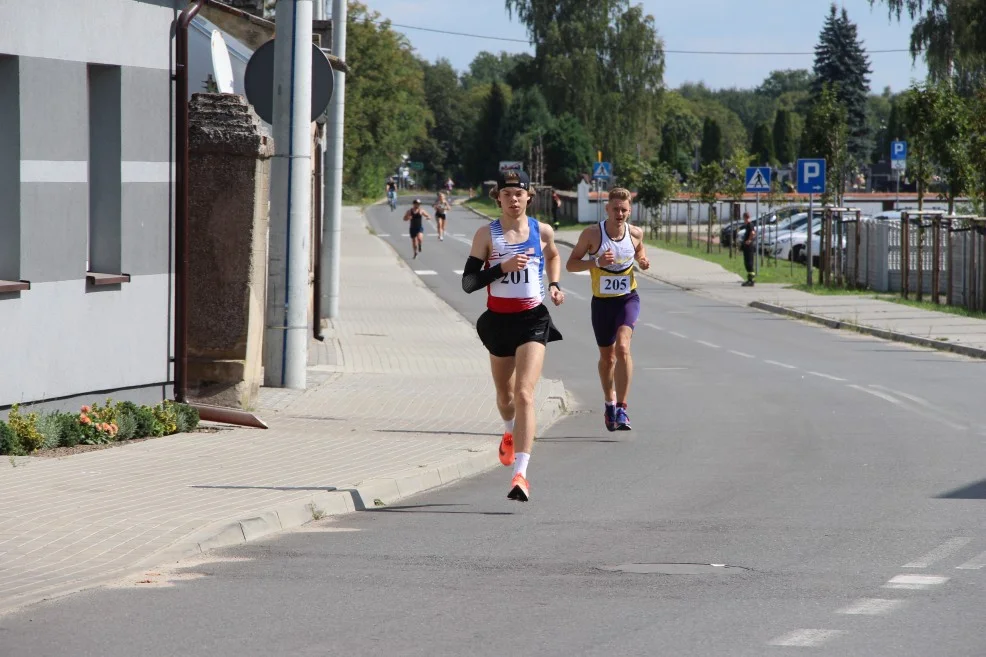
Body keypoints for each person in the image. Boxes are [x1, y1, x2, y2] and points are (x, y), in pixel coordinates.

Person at [461, 169, 565, 502]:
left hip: (533, 319)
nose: (513, 199)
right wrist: (501, 268)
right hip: (498, 321)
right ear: (499, 199)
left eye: (518, 194)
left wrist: (554, 284)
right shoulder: (486, 234)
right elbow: (468, 283)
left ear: (528, 197)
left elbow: (553, 255)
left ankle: (520, 474)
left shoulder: (542, 230)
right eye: (507, 195)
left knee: (524, 393)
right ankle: (509, 432)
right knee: (505, 397)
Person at [566, 187, 650, 432]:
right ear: (607, 209)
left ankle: (622, 408)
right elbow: (571, 264)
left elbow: (640, 249)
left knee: (623, 347)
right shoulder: (592, 234)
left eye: (624, 210)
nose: (620, 214)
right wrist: (596, 262)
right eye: (616, 209)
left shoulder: (635, 233)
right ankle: (609, 402)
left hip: (627, 299)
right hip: (602, 303)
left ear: (630, 210)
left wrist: (643, 260)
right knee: (607, 358)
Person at [740, 211, 756, 286]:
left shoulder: (750, 224)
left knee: (749, 263)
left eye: (744, 219)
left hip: (749, 247)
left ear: (745, 218)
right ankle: (750, 279)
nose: (744, 221)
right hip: (747, 247)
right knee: (747, 263)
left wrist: (749, 240)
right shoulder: (749, 225)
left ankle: (751, 280)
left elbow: (753, 233)